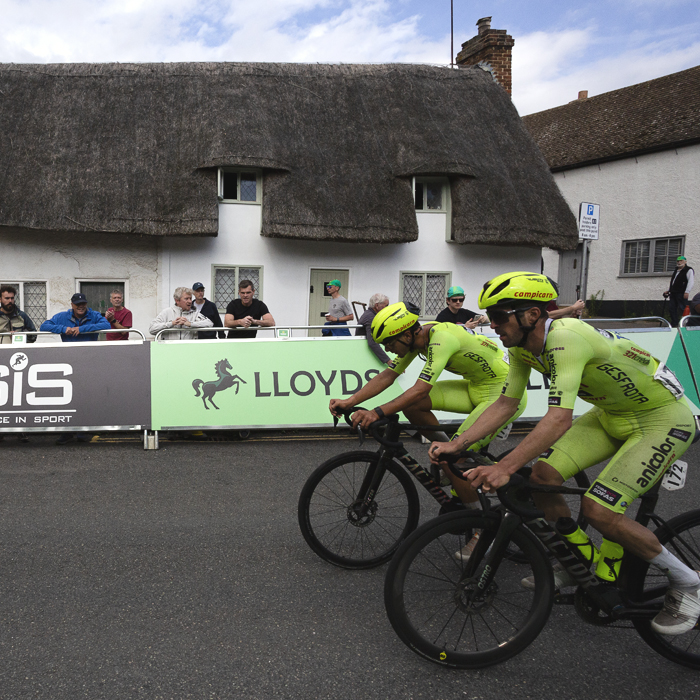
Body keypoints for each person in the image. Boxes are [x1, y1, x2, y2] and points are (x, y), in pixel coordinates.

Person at [430, 271, 700, 636]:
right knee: (543, 479)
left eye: (498, 317)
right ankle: (579, 563)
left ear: (531, 315)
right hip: (613, 414)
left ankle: (687, 582)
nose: (491, 325)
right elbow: (506, 402)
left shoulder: (566, 339)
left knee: (599, 509)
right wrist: (457, 444)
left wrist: (506, 466)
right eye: (489, 316)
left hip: (663, 419)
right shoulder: (521, 346)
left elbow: (558, 419)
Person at [330, 301, 526, 557]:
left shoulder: (440, 339)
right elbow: (387, 376)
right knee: (417, 408)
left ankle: (482, 529)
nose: (388, 349)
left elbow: (420, 388)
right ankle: (451, 461)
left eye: (389, 342)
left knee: (450, 454)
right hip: (476, 386)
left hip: (502, 395)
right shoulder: (416, 339)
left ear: (407, 333)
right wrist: (351, 401)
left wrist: (376, 412)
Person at [40, 292, 110, 342]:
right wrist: (63, 329)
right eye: (78, 304)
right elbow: (44, 326)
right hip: (70, 352)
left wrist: (81, 329)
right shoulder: (62, 316)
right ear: (72, 305)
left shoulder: (94, 315)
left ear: (86, 304)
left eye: (83, 303)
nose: (81, 306)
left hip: (90, 352)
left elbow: (107, 325)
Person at [149, 287, 213, 340]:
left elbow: (209, 324)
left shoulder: (194, 313)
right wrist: (171, 323)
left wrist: (190, 324)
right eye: (186, 299)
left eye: (190, 298)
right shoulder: (167, 312)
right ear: (177, 300)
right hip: (170, 350)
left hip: (189, 350)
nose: (190, 301)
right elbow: (152, 329)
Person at [355, 293, 391, 364]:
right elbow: (372, 342)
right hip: (365, 355)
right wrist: (388, 361)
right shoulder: (371, 318)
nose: (387, 308)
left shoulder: (370, 315)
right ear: (377, 305)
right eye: (386, 305)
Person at [664, 256, 694, 327]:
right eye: (678, 261)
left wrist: (687, 291)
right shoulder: (676, 270)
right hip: (673, 292)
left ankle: (686, 323)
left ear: (685, 262)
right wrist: (669, 290)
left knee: (683, 308)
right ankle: (674, 323)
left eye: (681, 261)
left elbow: (691, 281)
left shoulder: (688, 270)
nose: (679, 262)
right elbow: (673, 282)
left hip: (681, 293)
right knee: (672, 308)